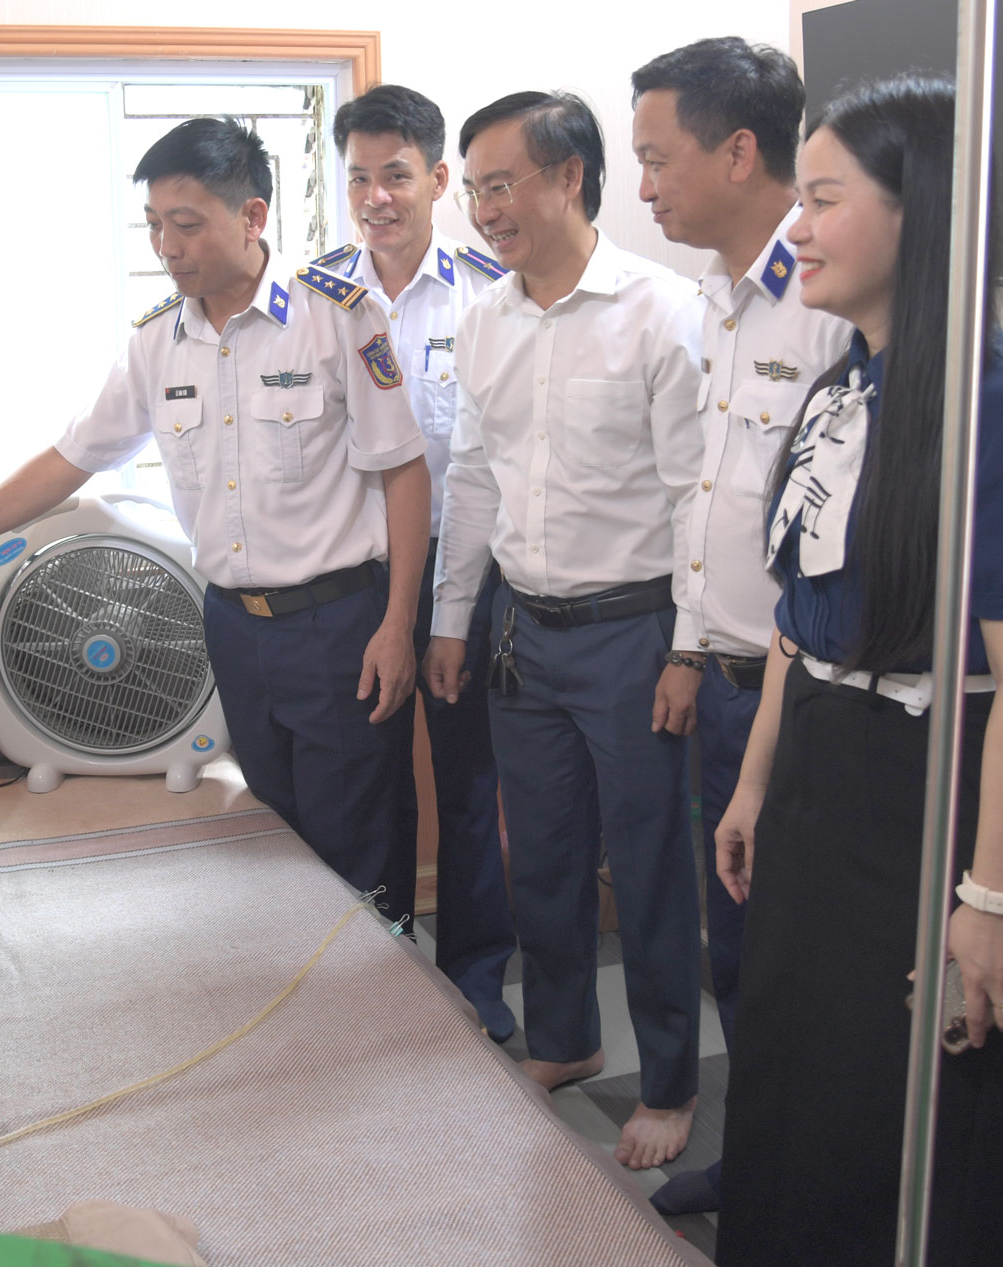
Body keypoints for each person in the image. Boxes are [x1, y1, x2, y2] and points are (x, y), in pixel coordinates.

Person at [712, 76, 1003, 1266]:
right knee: (787, 1063)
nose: (796, 226)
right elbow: (798, 617)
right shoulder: (843, 383)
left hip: (925, 788)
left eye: (823, 199)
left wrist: (993, 903)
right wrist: (754, 784)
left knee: (896, 1101)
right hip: (815, 762)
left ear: (919, 208)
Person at [0, 118, 431, 929]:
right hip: (233, 626)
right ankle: (309, 987)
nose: (168, 246)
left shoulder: (339, 317)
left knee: (359, 834)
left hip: (339, 623)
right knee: (279, 831)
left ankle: (388, 993)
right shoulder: (157, 341)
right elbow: (70, 459)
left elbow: (404, 472)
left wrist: (398, 624)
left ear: (253, 216)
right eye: (155, 225)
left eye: (187, 224)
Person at [424, 90, 706, 1170]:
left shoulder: (661, 310)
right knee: (538, 856)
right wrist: (452, 618)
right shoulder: (485, 317)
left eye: (501, 184)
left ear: (571, 178)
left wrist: (688, 647)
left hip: (634, 632)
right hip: (519, 631)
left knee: (647, 864)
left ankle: (671, 1080)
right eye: (475, 188)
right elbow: (472, 474)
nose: (484, 209)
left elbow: (693, 495)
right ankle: (564, 1039)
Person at [627, 37, 851, 1216]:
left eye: (658, 160)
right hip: (718, 678)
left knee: (804, 957)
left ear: (738, 151)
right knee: (738, 946)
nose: (644, 188)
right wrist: (684, 641)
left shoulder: (825, 303)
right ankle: (758, 1154)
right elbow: (699, 493)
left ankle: (809, 1179)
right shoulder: (713, 301)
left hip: (802, 693)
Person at [317, 83, 519, 1040]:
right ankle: (381, 969)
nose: (376, 197)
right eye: (359, 177)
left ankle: (475, 978)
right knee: (370, 783)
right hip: (356, 574)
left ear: (438, 179)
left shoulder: (491, 290)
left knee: (470, 783)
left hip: (467, 568)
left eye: (395, 175)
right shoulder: (319, 298)